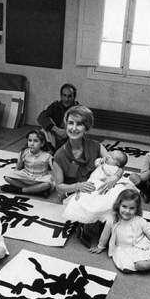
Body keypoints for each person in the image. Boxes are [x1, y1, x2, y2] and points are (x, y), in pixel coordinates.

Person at [51, 104, 118, 247]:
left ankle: (99, 221)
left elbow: (114, 166)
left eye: (79, 124)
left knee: (118, 189)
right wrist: (78, 186)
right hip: (74, 191)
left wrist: (116, 176)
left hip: (96, 187)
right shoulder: (59, 155)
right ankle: (86, 224)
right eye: (70, 123)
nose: (74, 128)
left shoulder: (97, 146)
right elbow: (59, 188)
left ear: (86, 127)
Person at [90, 188, 150, 274]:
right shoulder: (112, 219)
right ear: (118, 205)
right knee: (126, 268)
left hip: (140, 246)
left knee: (141, 266)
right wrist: (100, 246)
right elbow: (105, 234)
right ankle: (141, 263)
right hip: (122, 249)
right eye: (124, 206)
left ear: (136, 209)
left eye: (132, 208)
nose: (127, 211)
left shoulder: (140, 221)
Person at [63, 149, 136, 224]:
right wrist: (99, 161)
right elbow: (96, 163)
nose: (108, 156)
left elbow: (114, 174)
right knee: (83, 194)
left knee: (93, 199)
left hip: (98, 184)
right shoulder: (105, 162)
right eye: (109, 154)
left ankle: (92, 218)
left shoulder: (113, 168)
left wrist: (104, 166)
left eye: (111, 157)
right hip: (90, 180)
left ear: (116, 163)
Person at [1, 129, 54, 196]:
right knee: (7, 177)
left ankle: (21, 190)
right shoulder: (23, 152)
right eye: (30, 140)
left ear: (42, 143)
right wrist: (15, 175)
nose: (32, 144)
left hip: (40, 179)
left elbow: (54, 170)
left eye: (36, 141)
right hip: (26, 176)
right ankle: (35, 191)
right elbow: (18, 167)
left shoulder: (47, 156)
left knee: (47, 184)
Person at [37, 83, 79, 149]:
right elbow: (41, 117)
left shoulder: (79, 109)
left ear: (74, 97)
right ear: (61, 96)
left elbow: (82, 126)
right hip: (55, 136)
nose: (66, 99)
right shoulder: (55, 106)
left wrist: (67, 132)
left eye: (69, 96)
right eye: (64, 95)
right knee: (42, 132)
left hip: (70, 139)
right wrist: (56, 130)